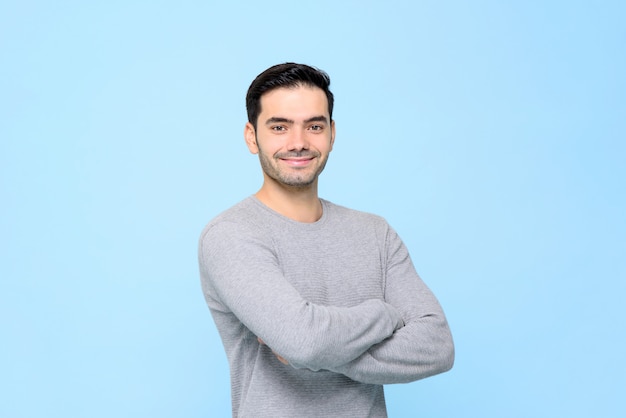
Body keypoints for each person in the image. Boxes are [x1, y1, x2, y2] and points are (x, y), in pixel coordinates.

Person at [198, 63, 454, 417]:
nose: (299, 142)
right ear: (251, 136)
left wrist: (321, 354)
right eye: (279, 127)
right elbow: (305, 342)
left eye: (314, 126)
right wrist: (384, 315)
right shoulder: (231, 235)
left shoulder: (375, 233)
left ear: (332, 134)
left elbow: (438, 346)